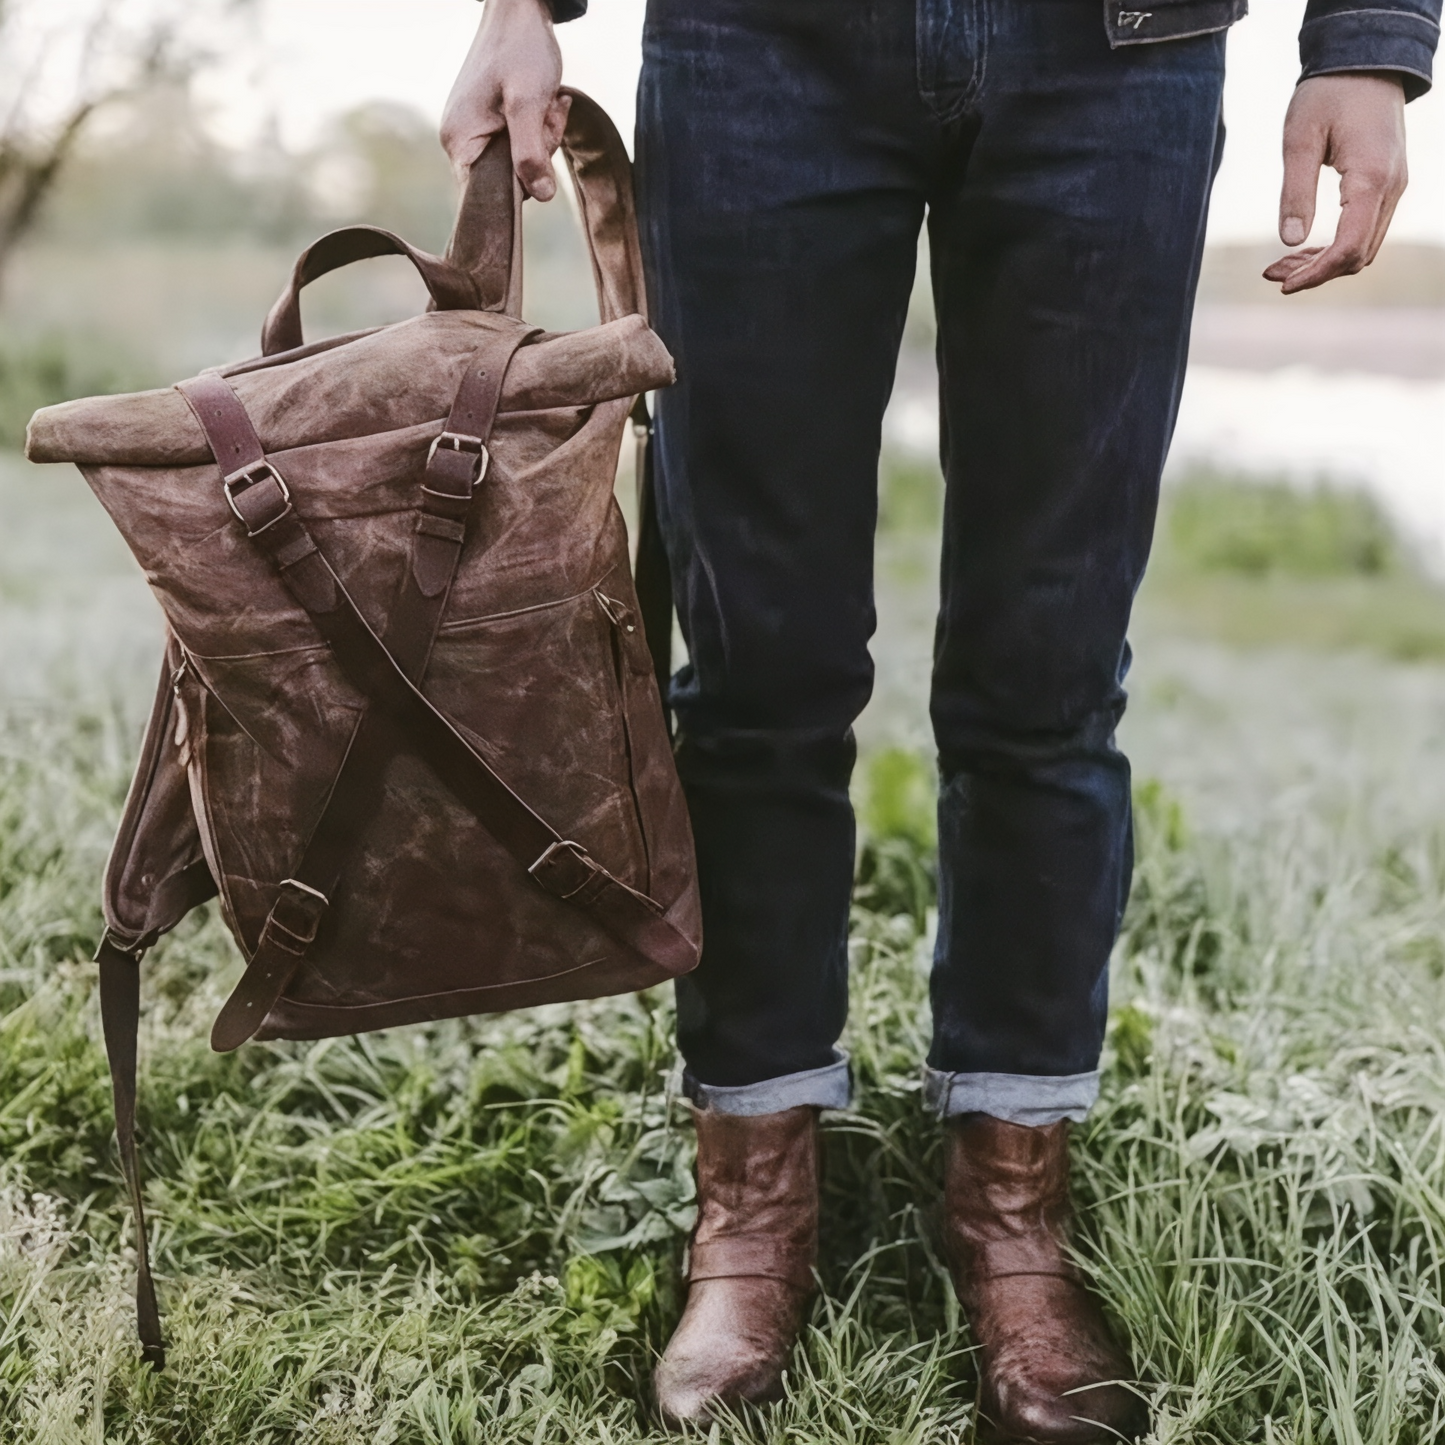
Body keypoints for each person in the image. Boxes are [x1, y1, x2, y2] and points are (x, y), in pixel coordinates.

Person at [442, 0, 1439, 1437]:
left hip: (1118, 56)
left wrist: (1367, 39)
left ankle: (1012, 1208)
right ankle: (753, 1205)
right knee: (755, 666)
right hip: (757, 49)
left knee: (1046, 677)